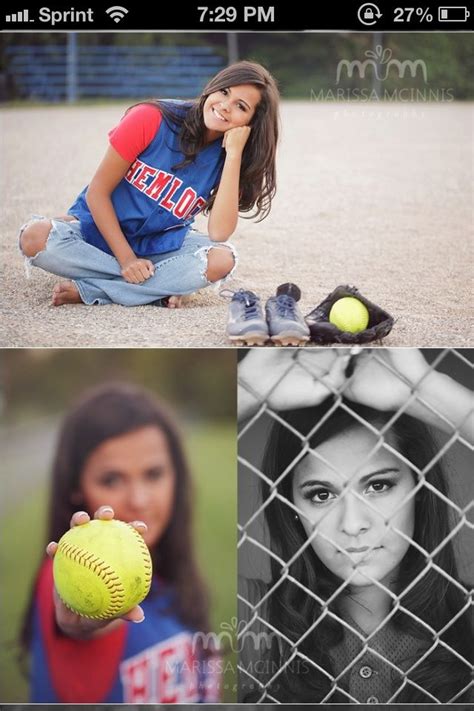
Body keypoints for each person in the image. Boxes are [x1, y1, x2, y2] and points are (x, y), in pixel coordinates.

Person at [238, 348, 473, 703]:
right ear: (291, 507)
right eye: (320, 494)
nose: (352, 524)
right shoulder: (253, 619)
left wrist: (424, 389)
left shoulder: (468, 618)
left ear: (420, 489)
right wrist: (246, 388)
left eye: (378, 486)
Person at [18, 61, 279, 309]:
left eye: (241, 106)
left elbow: (220, 233)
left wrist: (233, 154)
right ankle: (157, 289)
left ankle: (96, 289)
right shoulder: (150, 117)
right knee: (35, 237)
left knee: (221, 260)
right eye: (224, 92)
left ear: (251, 123)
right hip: (98, 232)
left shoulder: (234, 155)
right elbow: (98, 192)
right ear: (212, 87)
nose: (224, 106)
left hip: (159, 247)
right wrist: (127, 260)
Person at [20, 383, 221, 703]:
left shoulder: (172, 576)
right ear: (75, 486)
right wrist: (84, 622)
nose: (138, 500)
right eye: (111, 479)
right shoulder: (61, 576)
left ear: (176, 476)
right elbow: (78, 624)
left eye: (153, 474)